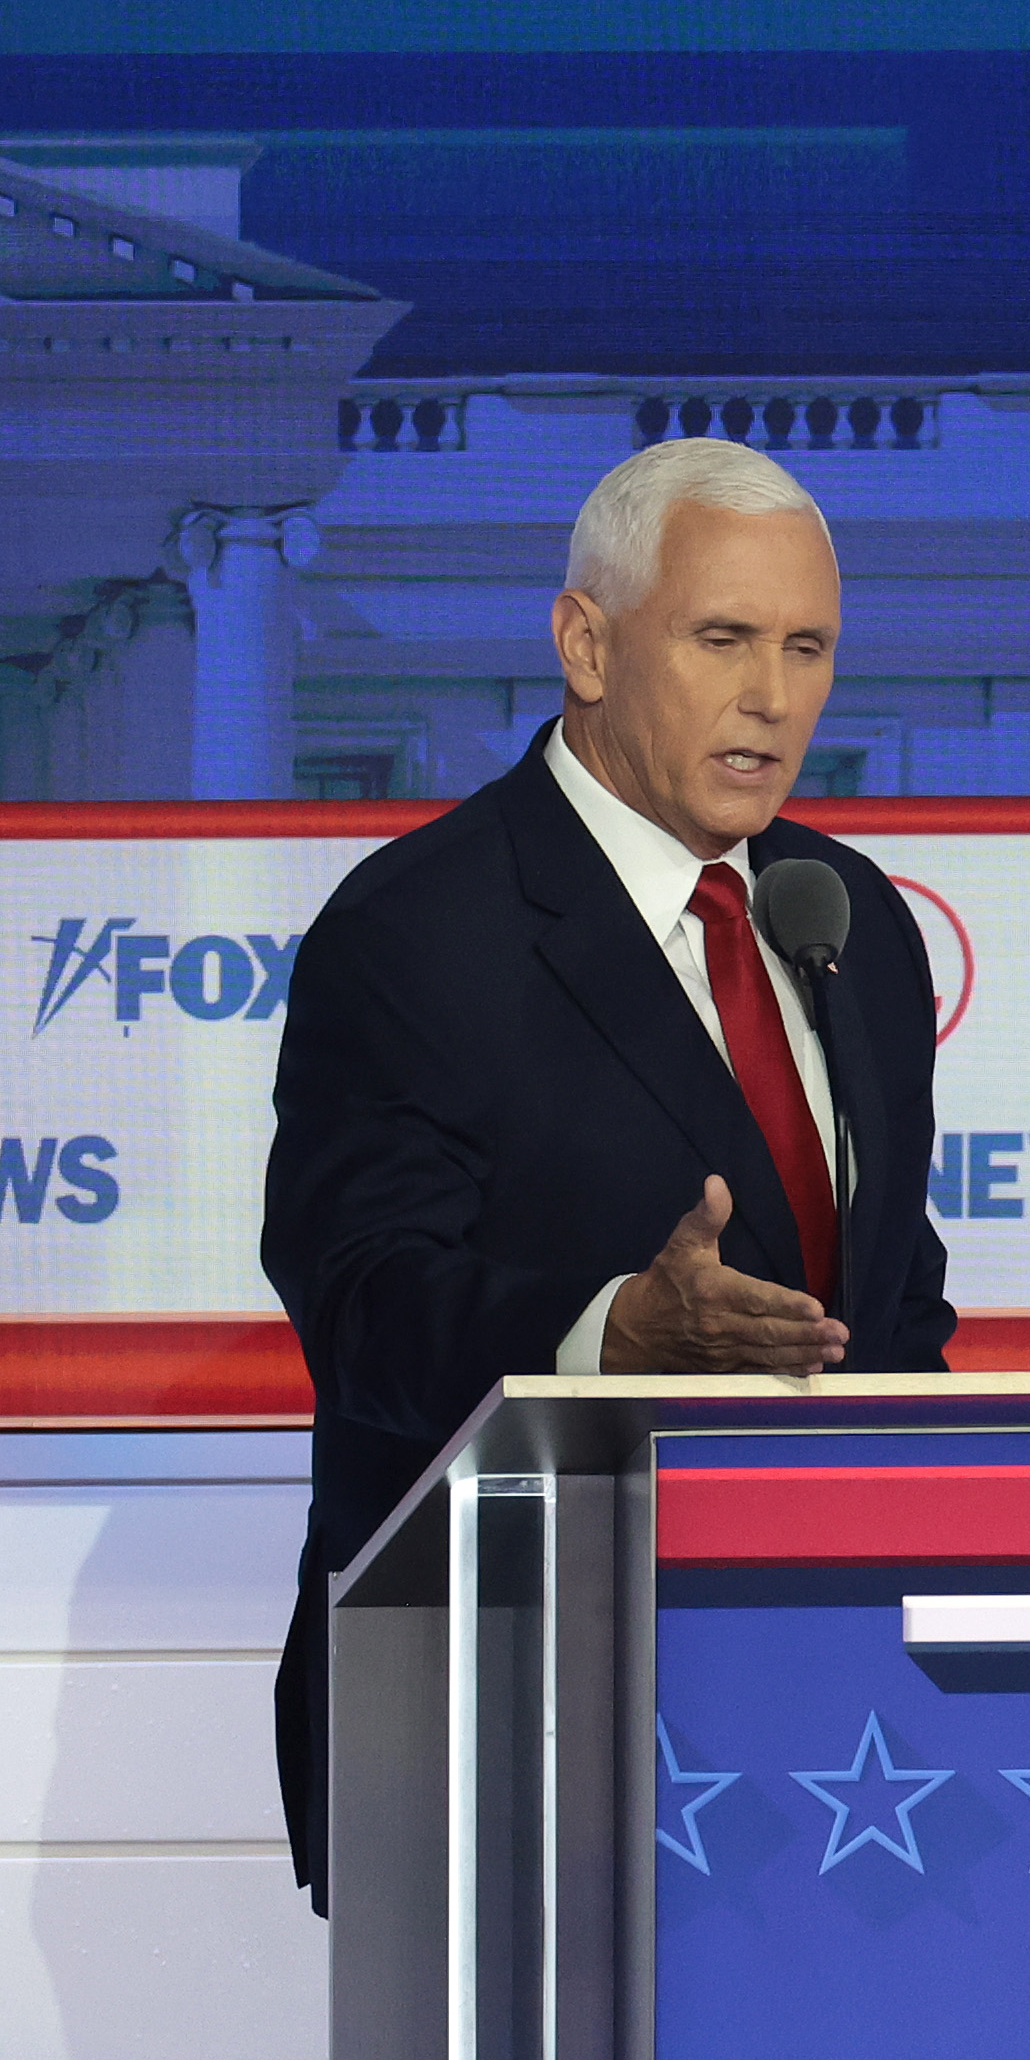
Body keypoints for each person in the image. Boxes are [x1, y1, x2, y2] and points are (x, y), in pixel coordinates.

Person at [259, 437, 957, 1896]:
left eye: (807, 647)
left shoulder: (853, 920)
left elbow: (892, 1304)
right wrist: (611, 1333)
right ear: (585, 642)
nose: (773, 698)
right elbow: (363, 1302)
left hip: (835, 1738)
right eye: (723, 640)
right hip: (508, 1703)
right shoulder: (419, 931)